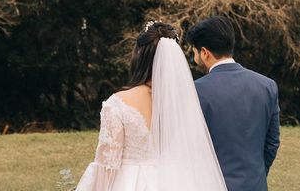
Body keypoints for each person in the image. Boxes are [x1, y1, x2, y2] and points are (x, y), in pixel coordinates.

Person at [75, 21, 227, 191]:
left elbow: (107, 166)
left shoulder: (117, 104)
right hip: (177, 181)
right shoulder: (184, 105)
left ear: (139, 56)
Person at [186, 16, 280, 191]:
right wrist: (256, 175)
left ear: (204, 52)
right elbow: (272, 142)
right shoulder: (267, 85)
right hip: (255, 184)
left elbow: (189, 148)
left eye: (194, 51)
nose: (194, 56)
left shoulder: (194, 91)